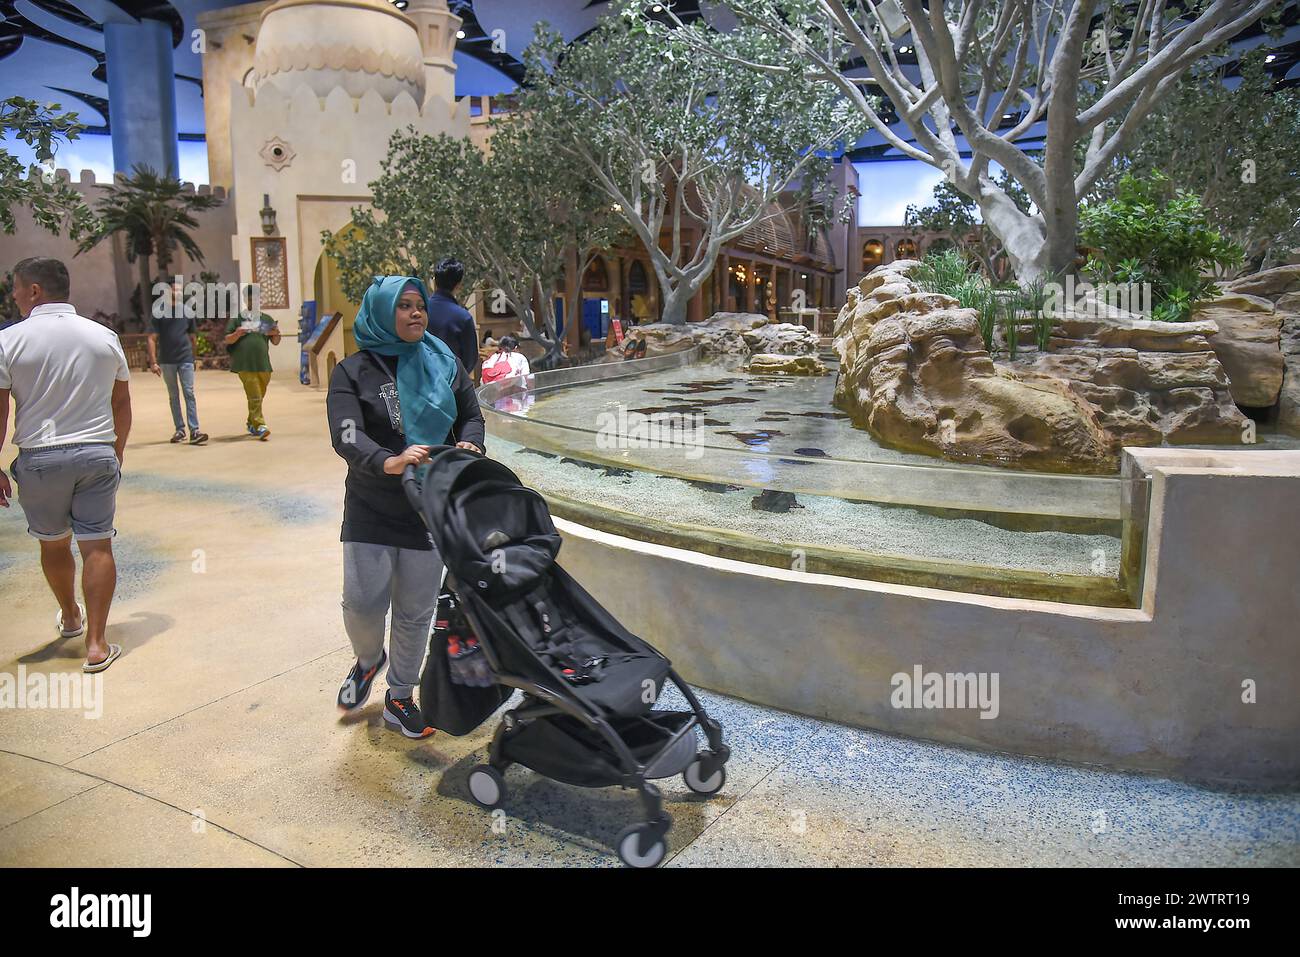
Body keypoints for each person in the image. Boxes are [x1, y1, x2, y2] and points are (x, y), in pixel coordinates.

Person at [326, 276, 485, 739]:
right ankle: (368, 659)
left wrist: (470, 444)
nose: (417, 313)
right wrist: (388, 461)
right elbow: (347, 433)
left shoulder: (443, 361)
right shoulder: (353, 371)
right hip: (371, 506)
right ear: (380, 313)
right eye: (404, 306)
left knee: (415, 612)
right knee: (361, 604)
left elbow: (470, 413)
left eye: (420, 305)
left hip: (428, 505)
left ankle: (399, 697)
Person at [0, 257, 131, 672]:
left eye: (17, 289)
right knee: (98, 544)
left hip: (41, 458)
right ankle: (96, 644)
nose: (15, 296)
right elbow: (122, 402)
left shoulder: (9, 341)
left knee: (53, 542)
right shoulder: (104, 336)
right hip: (96, 451)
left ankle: (71, 616)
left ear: (35, 290)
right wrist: (117, 451)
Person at [147, 281, 208, 445]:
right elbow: (152, 338)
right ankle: (180, 429)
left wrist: (194, 358)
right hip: (167, 361)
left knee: (189, 393)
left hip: (185, 359)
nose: (178, 292)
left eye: (181, 290)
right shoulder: (159, 312)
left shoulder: (188, 312)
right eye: (175, 289)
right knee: (173, 395)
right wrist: (153, 362)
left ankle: (194, 430)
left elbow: (193, 338)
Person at [223, 286, 280, 440]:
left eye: (255, 298)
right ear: (245, 299)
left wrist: (275, 333)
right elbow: (227, 339)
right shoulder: (237, 319)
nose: (252, 301)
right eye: (249, 298)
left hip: (263, 364)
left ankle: (251, 422)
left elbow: (275, 341)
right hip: (245, 364)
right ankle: (261, 425)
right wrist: (238, 333)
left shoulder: (266, 319)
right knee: (254, 395)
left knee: (259, 396)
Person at [426, 257, 479, 380]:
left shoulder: (420, 310)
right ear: (459, 285)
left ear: (435, 281)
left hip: (421, 382)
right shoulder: (463, 317)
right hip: (451, 383)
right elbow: (470, 359)